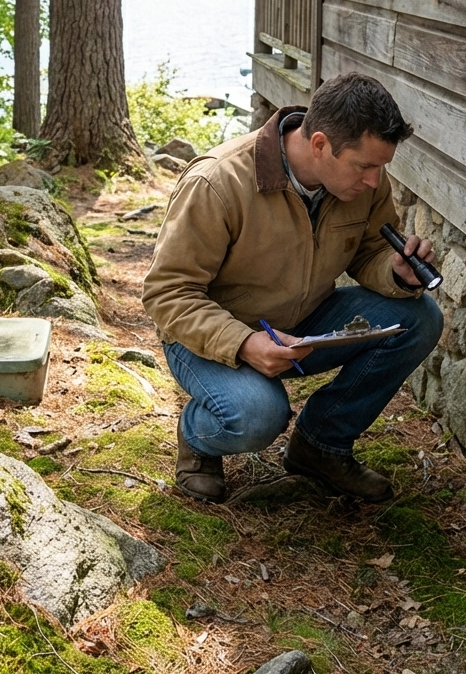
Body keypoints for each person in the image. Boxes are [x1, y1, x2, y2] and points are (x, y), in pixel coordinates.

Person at [141, 72, 443, 504]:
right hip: (208, 338)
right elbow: (168, 293)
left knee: (419, 318)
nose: (375, 181)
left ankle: (321, 446)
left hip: (301, 324)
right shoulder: (218, 182)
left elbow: (370, 251)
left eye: (381, 167)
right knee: (259, 414)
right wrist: (244, 343)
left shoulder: (361, 184)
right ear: (319, 144)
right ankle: (199, 440)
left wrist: (396, 272)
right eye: (365, 166)